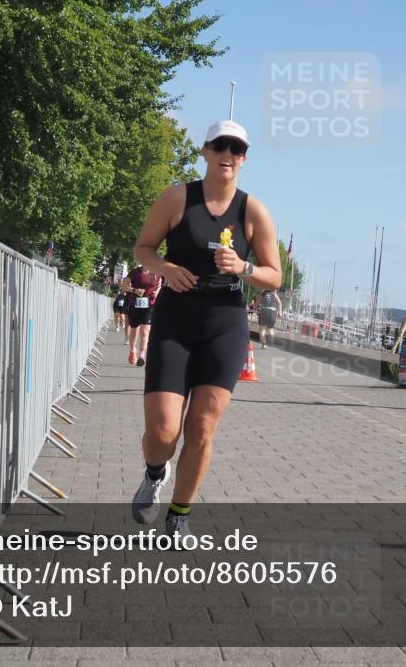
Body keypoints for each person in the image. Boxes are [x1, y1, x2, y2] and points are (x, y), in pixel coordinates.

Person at [129, 119, 280, 543]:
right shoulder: (178, 198)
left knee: (202, 427)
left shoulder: (254, 211)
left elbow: (274, 276)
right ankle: (155, 472)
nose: (227, 155)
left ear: (244, 158)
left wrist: (245, 268)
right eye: (220, 146)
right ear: (205, 151)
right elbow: (142, 248)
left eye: (236, 149)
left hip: (225, 324)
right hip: (176, 320)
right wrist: (166, 267)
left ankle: (179, 515)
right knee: (162, 432)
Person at [124, 265, 160, 366]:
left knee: (145, 331)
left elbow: (159, 286)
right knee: (134, 331)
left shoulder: (157, 271)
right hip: (135, 304)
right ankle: (132, 350)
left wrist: (156, 292)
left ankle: (142, 355)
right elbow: (124, 285)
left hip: (149, 305)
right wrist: (134, 290)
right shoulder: (135, 272)